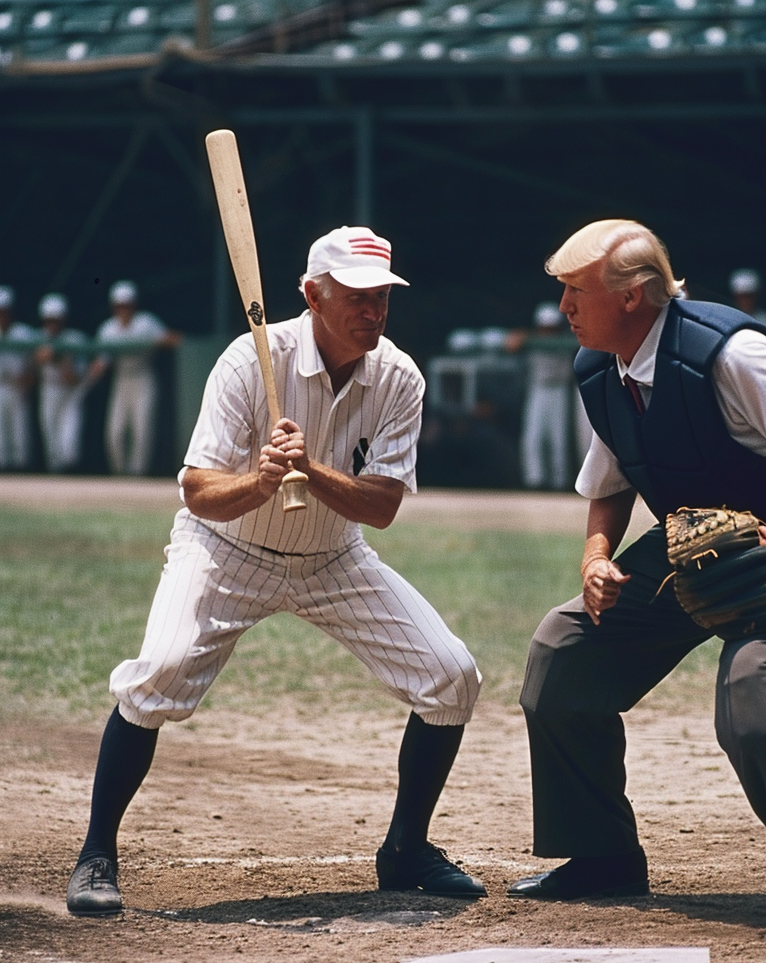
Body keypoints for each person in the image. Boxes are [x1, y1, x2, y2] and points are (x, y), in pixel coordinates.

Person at [65, 226, 486, 916]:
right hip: (226, 551)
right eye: (355, 296)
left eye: (381, 296)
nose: (372, 311)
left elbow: (380, 508)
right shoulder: (245, 363)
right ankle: (96, 855)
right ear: (313, 296)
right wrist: (259, 483)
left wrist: (307, 470)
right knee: (160, 673)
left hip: (334, 558)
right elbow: (198, 490)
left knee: (451, 676)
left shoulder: (398, 377)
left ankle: (406, 851)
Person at [507, 219, 766, 930]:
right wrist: (596, 559)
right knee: (565, 649)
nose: (563, 306)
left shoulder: (728, 352)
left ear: (632, 295)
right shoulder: (603, 364)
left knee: (756, 690)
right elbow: (610, 481)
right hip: (699, 543)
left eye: (575, 290)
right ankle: (601, 858)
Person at [93, 280, 182, 475]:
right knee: (115, 431)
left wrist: (157, 341)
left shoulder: (146, 322)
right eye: (119, 305)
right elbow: (101, 362)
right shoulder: (108, 328)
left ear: (133, 305)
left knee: (142, 429)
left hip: (143, 376)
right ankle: (119, 473)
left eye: (126, 305)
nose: (123, 309)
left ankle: (137, 475)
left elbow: (174, 339)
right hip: (121, 379)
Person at [506, 301, 578, 490]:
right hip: (538, 388)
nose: (547, 330)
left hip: (560, 389)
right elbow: (512, 343)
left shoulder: (567, 337)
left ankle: (560, 483)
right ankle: (534, 481)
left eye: (551, 327)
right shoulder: (530, 337)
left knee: (558, 438)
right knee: (533, 436)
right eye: (544, 327)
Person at [33, 293, 102, 473]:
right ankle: (54, 479)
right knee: (50, 435)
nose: (52, 324)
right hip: (49, 388)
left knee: (69, 439)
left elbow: (75, 376)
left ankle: (70, 475)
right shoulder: (38, 337)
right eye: (49, 320)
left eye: (56, 320)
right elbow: (34, 362)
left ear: (63, 319)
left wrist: (58, 358)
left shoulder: (75, 339)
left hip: (71, 392)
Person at [0, 286, 36, 471]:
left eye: (4, 311)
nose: (1, 315)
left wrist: (28, 381)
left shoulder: (24, 332)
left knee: (20, 435)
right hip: (0, 387)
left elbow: (35, 361)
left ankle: (21, 475)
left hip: (18, 387)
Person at [729, 268, 766, 333]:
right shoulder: (726, 319)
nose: (745, 301)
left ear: (756, 296)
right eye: (741, 296)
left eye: (748, 296)